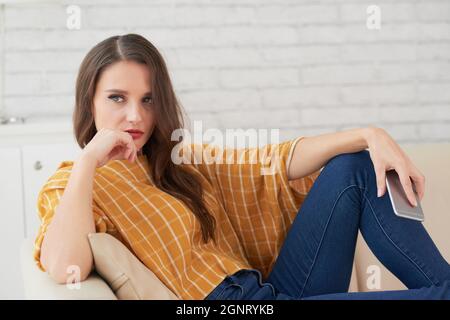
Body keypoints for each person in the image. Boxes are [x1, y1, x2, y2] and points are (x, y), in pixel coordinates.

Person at [34, 34, 450, 300]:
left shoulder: (178, 161)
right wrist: (88, 160)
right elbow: (64, 267)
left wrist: (369, 134)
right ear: (88, 100)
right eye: (116, 98)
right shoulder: (73, 183)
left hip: (272, 292)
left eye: (148, 99)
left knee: (354, 167)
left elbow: (270, 160)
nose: (135, 117)